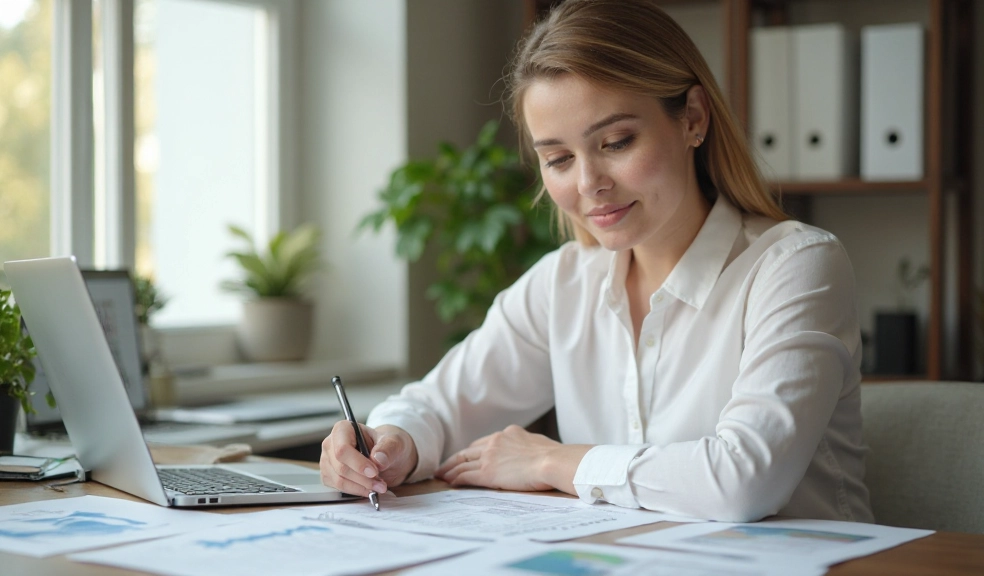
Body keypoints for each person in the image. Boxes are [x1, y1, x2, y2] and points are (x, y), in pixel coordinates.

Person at [320, 0, 873, 523]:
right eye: (558, 158)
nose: (589, 185)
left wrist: (551, 461)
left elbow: (746, 479)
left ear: (693, 119)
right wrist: (390, 443)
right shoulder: (564, 282)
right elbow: (440, 405)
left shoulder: (795, 266)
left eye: (616, 141)